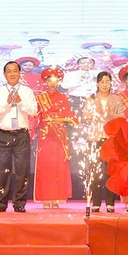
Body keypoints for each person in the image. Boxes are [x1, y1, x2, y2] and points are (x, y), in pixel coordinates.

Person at [0, 61, 38, 213]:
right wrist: (7, 103)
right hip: (4, 134)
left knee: (22, 170)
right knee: (2, 170)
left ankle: (19, 203)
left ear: (19, 73)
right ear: (4, 74)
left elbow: (34, 111)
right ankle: (0, 203)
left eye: (15, 71)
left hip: (22, 134)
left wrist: (20, 103)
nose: (12, 74)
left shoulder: (27, 91)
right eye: (9, 71)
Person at [81, 71, 125, 212]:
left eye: (107, 81)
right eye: (102, 82)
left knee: (110, 172)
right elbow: (85, 117)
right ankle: (96, 202)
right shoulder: (91, 99)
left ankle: (111, 203)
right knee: (95, 171)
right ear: (97, 84)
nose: (105, 85)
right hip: (95, 138)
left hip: (111, 140)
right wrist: (95, 113)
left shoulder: (116, 99)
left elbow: (122, 117)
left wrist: (112, 115)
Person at [33, 68, 77, 209]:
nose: (52, 83)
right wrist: (53, 115)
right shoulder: (40, 98)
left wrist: (54, 115)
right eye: (49, 80)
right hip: (46, 134)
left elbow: (68, 114)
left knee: (59, 165)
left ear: (59, 81)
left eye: (55, 80)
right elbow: (36, 116)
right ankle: (46, 197)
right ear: (45, 81)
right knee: (45, 165)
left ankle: (58, 197)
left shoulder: (64, 97)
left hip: (59, 134)